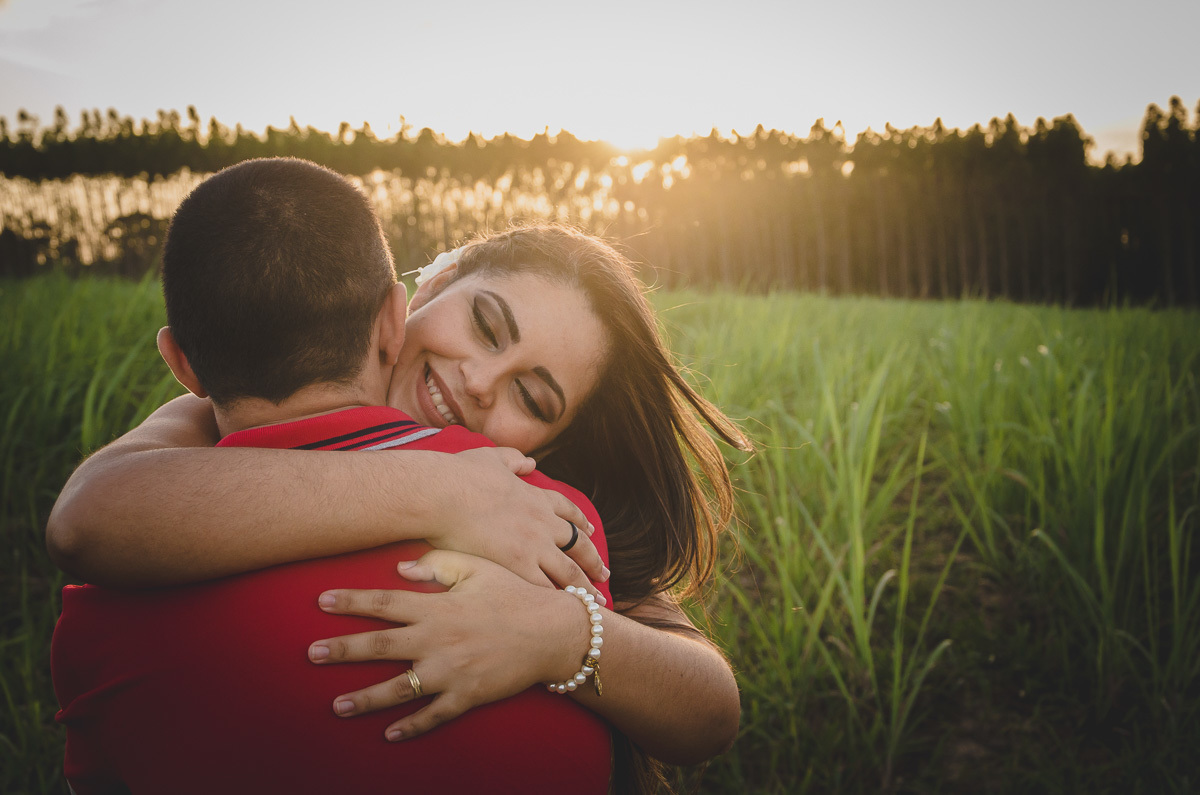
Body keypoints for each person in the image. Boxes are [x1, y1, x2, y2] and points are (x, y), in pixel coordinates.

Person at [49, 165, 751, 790]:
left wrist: (561, 632)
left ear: (553, 440)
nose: (478, 382)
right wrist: (443, 491)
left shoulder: (540, 518)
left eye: (532, 398)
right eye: (484, 324)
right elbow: (89, 517)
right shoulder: (205, 422)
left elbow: (709, 708)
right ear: (424, 287)